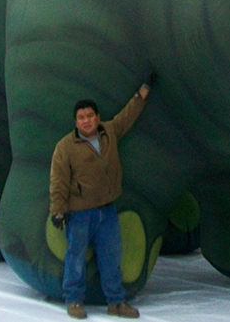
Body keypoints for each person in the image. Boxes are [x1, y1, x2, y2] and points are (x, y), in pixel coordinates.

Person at [50, 82, 150, 319]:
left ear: (97, 117)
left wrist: (142, 93)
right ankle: (74, 301)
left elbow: (127, 115)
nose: (86, 121)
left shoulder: (109, 132)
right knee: (75, 257)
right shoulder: (65, 147)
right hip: (79, 213)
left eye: (90, 116)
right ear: (76, 121)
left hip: (106, 210)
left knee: (111, 257)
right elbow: (58, 181)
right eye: (81, 117)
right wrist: (57, 210)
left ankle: (116, 302)